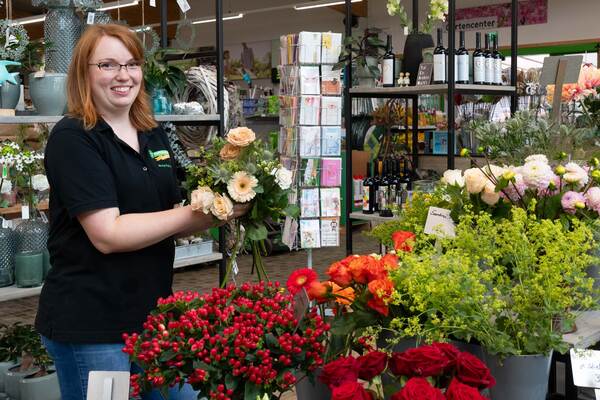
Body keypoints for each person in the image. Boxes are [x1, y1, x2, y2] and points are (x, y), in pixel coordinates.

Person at [34, 24, 245, 400]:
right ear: (85, 71)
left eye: (132, 64)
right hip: (93, 327)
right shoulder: (74, 138)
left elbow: (167, 213)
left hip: (153, 317)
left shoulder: (152, 132)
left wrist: (228, 199)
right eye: (108, 65)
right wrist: (201, 215)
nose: (123, 75)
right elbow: (108, 234)